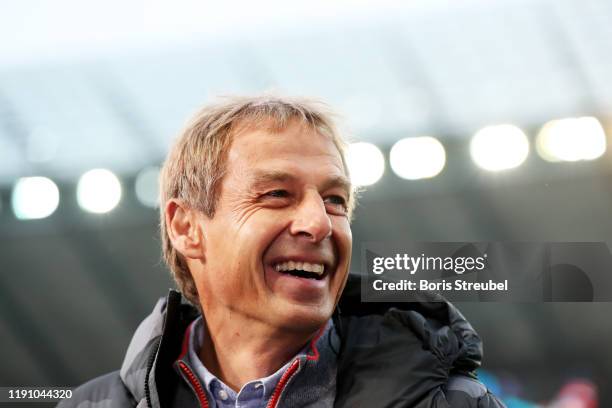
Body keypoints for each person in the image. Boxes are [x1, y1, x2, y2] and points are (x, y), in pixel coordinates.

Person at [58, 95, 505, 407]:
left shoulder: (453, 402)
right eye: (276, 194)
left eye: (335, 200)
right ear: (187, 227)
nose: (318, 223)